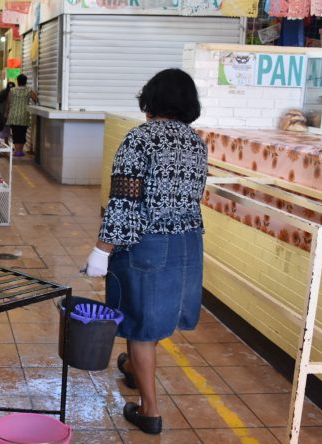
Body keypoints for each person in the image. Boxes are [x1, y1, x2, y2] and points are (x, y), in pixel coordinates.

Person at [83, 68, 207, 435]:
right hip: (188, 242)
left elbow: (124, 203)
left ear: (151, 100)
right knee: (155, 316)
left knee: (139, 326)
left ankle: (150, 411)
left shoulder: (140, 139)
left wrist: (101, 250)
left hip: (147, 244)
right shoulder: (196, 141)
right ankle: (134, 368)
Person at [6, 74, 37, 157]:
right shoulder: (29, 90)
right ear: (25, 82)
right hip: (24, 115)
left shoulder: (12, 90)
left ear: (18, 81)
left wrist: (7, 113)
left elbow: (8, 103)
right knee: (22, 133)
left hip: (13, 114)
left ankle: (17, 151)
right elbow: (35, 99)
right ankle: (20, 151)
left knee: (15, 133)